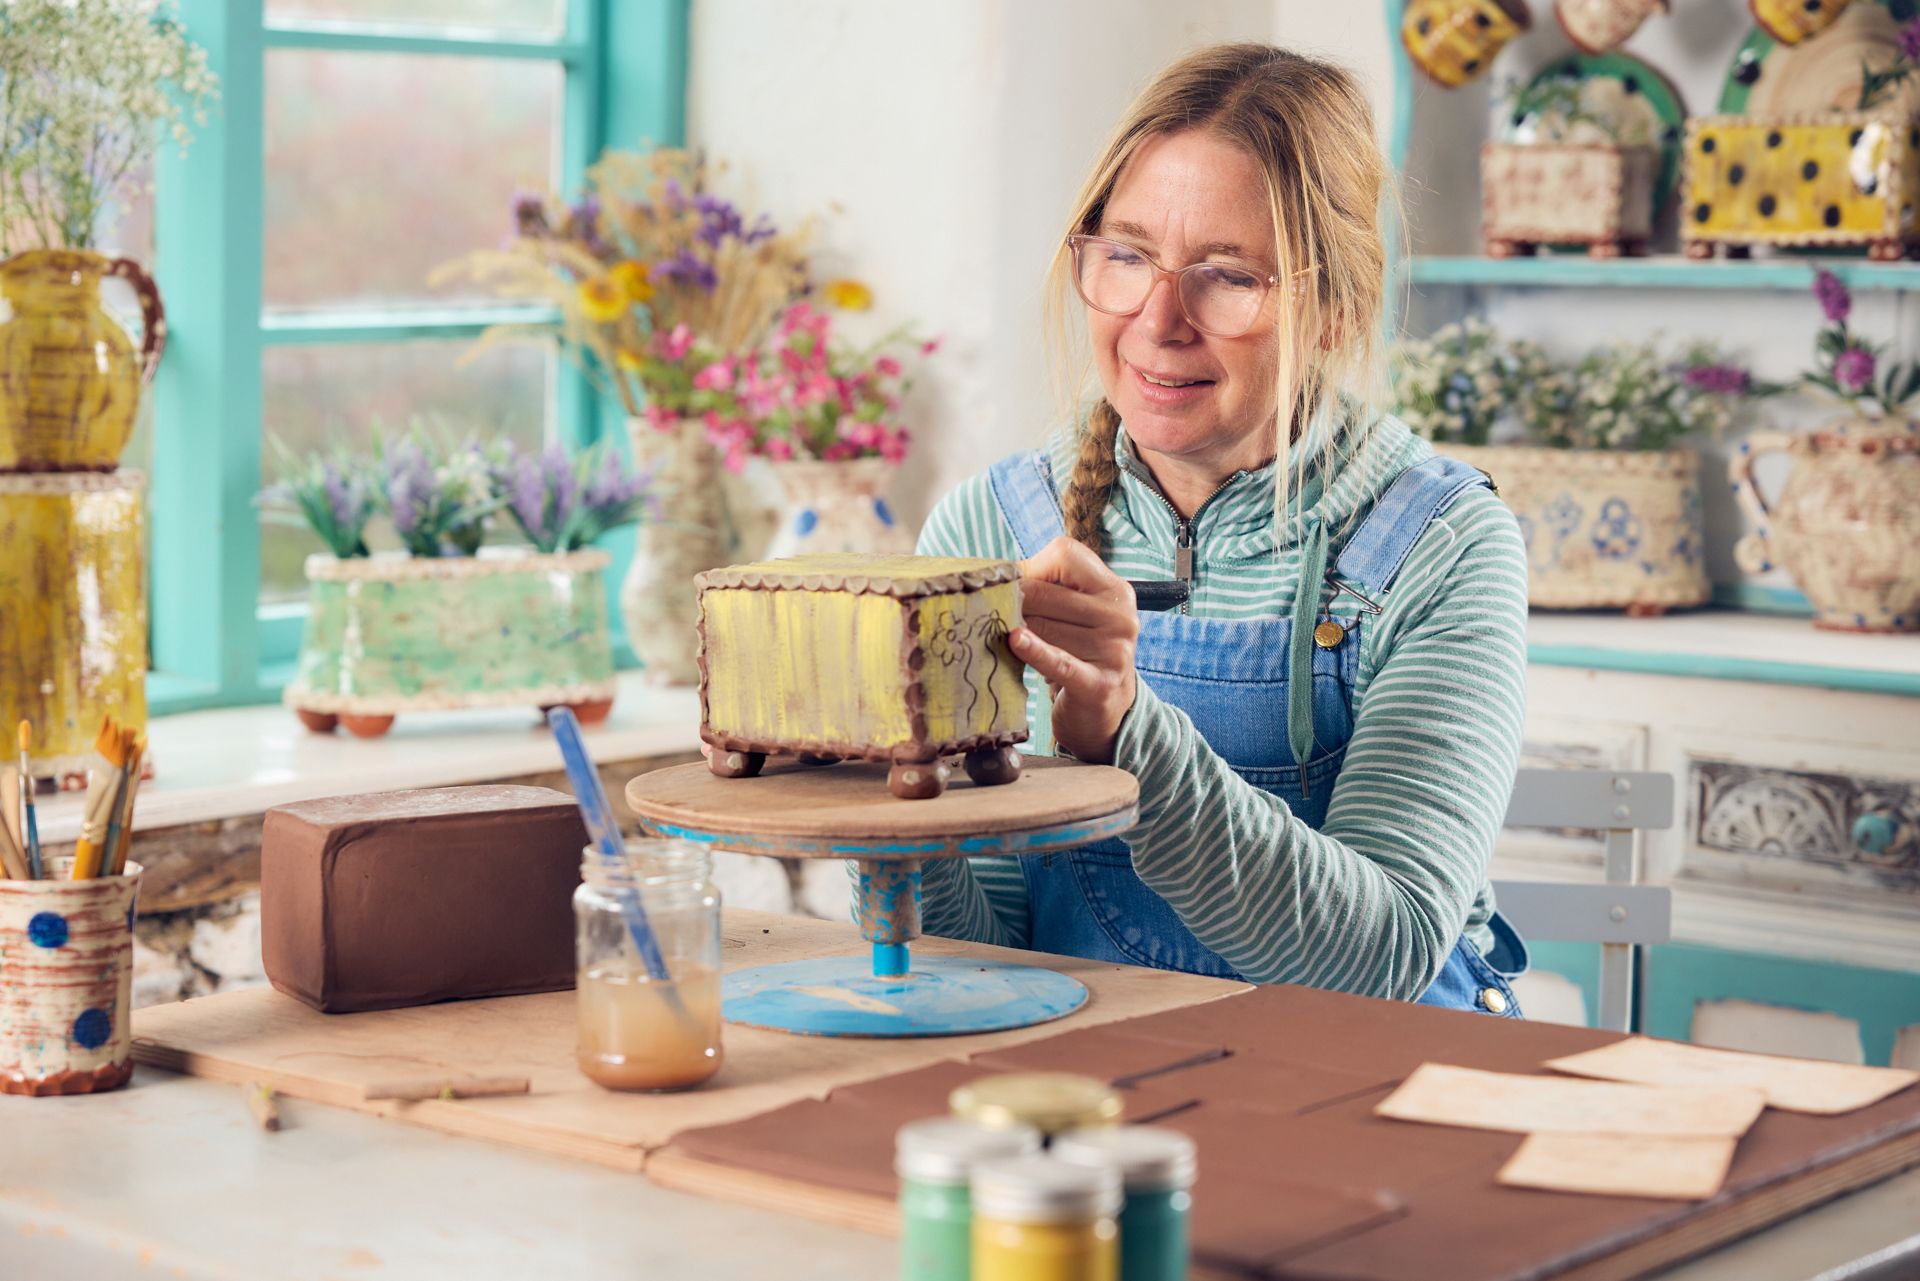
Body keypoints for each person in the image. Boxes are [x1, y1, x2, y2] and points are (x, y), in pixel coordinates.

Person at [913, 42, 1531, 1015]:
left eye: (1226, 275)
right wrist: (890, 814)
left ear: (1334, 309)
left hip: (1371, 1089)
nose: (1158, 320)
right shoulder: (993, 526)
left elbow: (1390, 954)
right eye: (1127, 255)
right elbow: (988, 949)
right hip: (1092, 1077)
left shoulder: (1437, 544)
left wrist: (1127, 741)